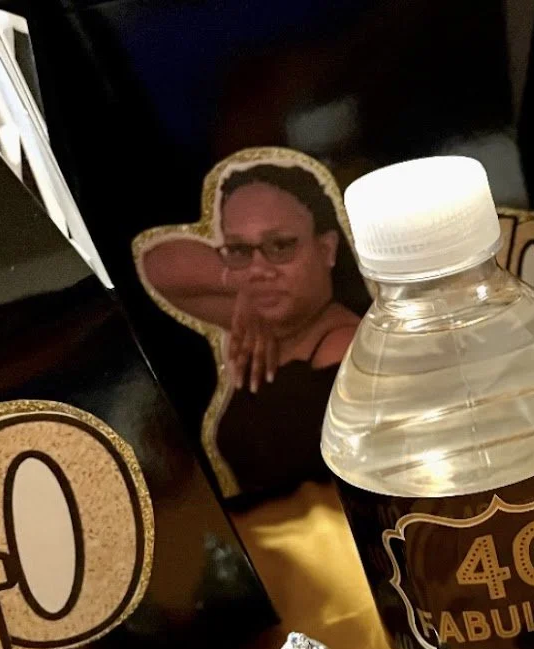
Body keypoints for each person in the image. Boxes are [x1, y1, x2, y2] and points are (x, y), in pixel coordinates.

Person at [141, 162, 368, 491]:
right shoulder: (259, 324)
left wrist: (243, 284)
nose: (259, 269)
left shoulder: (343, 347)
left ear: (326, 249)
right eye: (239, 250)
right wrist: (240, 287)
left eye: (280, 246)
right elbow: (159, 263)